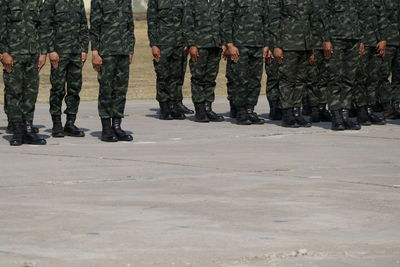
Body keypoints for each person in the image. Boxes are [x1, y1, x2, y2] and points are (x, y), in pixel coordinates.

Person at [0, 0, 47, 146]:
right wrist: (3, 52)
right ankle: (17, 130)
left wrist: (43, 52)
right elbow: (1, 27)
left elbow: (42, 28)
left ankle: (28, 128)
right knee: (14, 93)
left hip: (33, 55)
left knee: (30, 93)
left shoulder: (37, 2)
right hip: (14, 55)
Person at [269, 0, 321, 127]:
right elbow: (274, 22)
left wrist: (312, 46)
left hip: (305, 46)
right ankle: (287, 114)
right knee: (287, 80)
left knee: (301, 80)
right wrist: (276, 46)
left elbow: (313, 22)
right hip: (288, 45)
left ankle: (297, 113)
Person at [41, 0, 89, 138]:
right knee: (57, 89)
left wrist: (84, 49)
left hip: (76, 53)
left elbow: (83, 26)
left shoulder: (77, 1)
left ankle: (70, 123)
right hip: (59, 53)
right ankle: (56, 124)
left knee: (74, 89)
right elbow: (46, 27)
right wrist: (51, 50)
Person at [90, 0, 135, 142]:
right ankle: (106, 129)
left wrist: (130, 49)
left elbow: (130, 25)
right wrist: (95, 52)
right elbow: (95, 26)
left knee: (120, 90)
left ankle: (117, 126)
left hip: (123, 51)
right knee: (106, 90)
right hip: (106, 51)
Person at [221, 0, 270, 125]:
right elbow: (226, 21)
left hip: (258, 44)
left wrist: (266, 44)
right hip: (240, 45)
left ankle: (250, 109)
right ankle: (241, 111)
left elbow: (267, 22)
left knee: (255, 79)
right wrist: (230, 45)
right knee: (240, 79)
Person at [321, 0, 365, 130]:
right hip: (336, 39)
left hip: (354, 39)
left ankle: (345, 115)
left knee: (349, 79)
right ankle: (336, 117)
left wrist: (362, 39)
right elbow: (323, 16)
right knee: (335, 78)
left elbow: (360, 17)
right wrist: (326, 39)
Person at [183, 0, 225, 123]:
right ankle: (200, 110)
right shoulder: (192, 3)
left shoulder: (218, 2)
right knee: (198, 78)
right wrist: (192, 45)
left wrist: (223, 43)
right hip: (199, 46)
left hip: (215, 45)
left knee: (210, 79)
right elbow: (187, 24)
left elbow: (222, 23)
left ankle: (208, 108)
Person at [147, 0, 186, 120]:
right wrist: (154, 44)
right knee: (163, 75)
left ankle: (174, 106)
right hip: (162, 43)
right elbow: (152, 22)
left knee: (176, 75)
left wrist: (186, 41)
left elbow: (186, 21)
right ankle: (164, 106)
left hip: (179, 43)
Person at [352, 0, 387, 125]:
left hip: (376, 43)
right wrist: (359, 39)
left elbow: (382, 18)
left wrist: (383, 39)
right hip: (363, 43)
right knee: (361, 77)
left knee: (373, 78)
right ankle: (361, 110)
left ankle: (369, 109)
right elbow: (353, 18)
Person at [378, 0, 400, 119]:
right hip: (388, 42)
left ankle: (397, 104)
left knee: (398, 76)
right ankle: (386, 106)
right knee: (384, 74)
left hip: (397, 42)